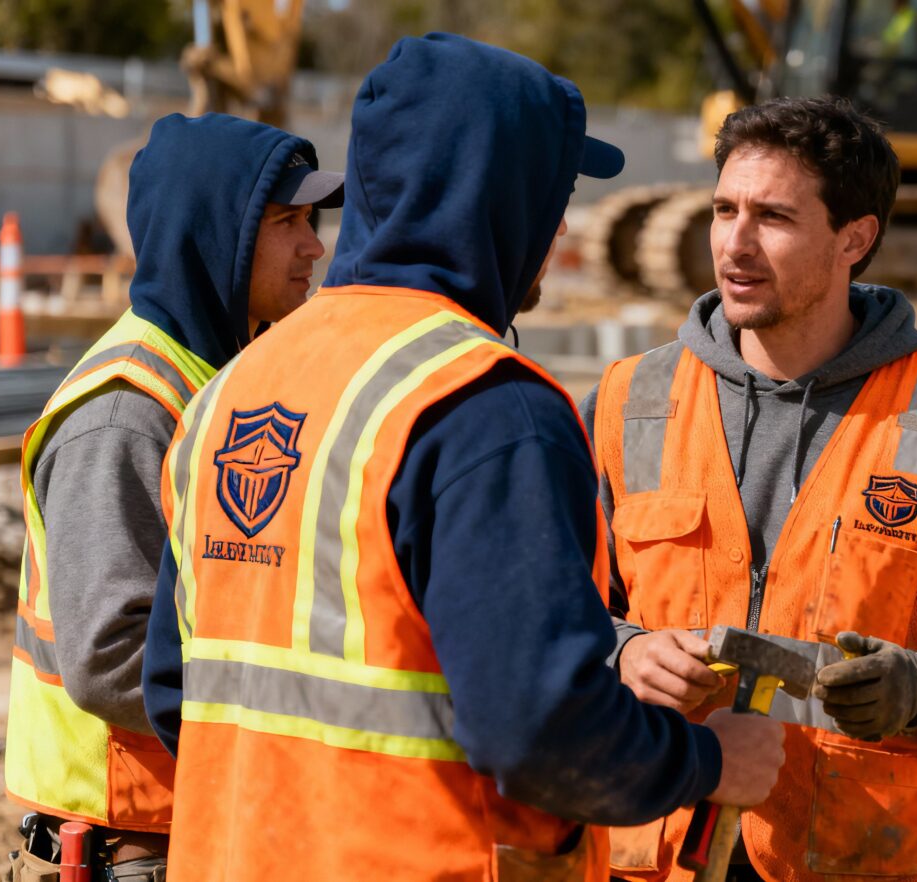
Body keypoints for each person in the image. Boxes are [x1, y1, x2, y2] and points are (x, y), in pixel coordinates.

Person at [140, 35, 785, 882]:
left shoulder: (233, 387)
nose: (557, 224)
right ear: (500, 195)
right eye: (553, 189)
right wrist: (705, 762)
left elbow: (172, 690)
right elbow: (537, 730)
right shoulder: (488, 406)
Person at [581, 96, 917, 882]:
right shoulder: (627, 400)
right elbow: (548, 609)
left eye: (773, 217)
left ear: (856, 238)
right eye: (723, 209)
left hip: (857, 856)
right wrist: (627, 653)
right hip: (653, 845)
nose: (735, 244)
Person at [3, 112, 342, 881]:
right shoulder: (128, 412)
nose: (314, 246)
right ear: (213, 233)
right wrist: (303, 705)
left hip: (184, 828)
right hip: (130, 843)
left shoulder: (218, 379)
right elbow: (109, 661)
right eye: (286, 221)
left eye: (310, 221)